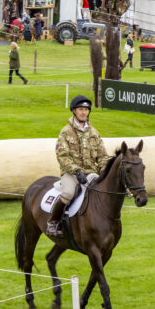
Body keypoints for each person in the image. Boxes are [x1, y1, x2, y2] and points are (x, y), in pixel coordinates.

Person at [49, 95, 113, 236]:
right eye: (80, 109)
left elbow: (102, 156)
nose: (84, 112)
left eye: (86, 109)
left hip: (91, 174)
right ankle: (53, 222)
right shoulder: (65, 132)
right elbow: (62, 156)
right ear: (74, 111)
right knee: (69, 193)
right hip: (71, 174)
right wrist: (76, 170)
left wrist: (105, 171)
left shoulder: (94, 133)